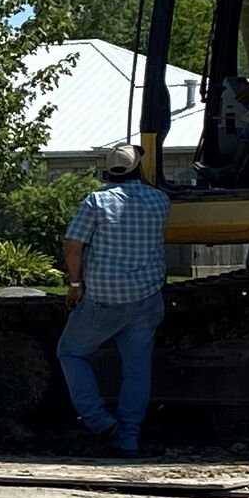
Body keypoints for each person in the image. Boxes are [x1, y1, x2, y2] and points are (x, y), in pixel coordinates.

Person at [57, 143, 170, 456]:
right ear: (138, 169)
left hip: (106, 296)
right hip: (147, 297)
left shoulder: (97, 201)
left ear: (108, 172)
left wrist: (75, 283)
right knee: (137, 369)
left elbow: (72, 245)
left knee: (71, 352)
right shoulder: (160, 200)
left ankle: (100, 422)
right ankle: (128, 438)